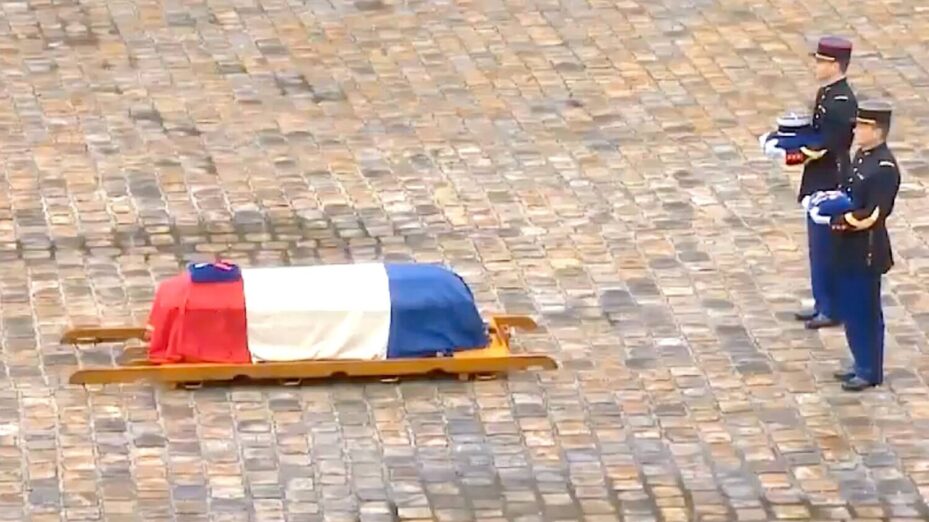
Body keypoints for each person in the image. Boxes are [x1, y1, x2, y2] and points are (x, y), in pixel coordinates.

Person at [829, 100, 901, 391]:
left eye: (863, 126)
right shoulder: (862, 156)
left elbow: (872, 215)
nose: (857, 130)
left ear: (878, 130)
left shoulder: (883, 167)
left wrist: (840, 219)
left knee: (865, 311)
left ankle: (870, 369)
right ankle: (859, 360)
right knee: (850, 308)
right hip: (848, 246)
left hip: (866, 248)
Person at [794, 36, 859, 330]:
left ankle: (831, 307)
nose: (817, 67)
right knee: (816, 247)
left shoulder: (842, 101)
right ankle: (822, 301)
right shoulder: (827, 94)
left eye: (821, 61)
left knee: (826, 247)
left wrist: (799, 151)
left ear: (835, 65)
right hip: (818, 173)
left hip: (831, 175)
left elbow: (831, 142)